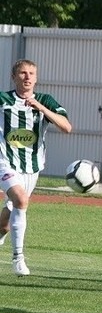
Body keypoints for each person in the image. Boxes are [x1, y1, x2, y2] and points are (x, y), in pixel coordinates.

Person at [0, 59, 72, 276]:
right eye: (23, 73)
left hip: (32, 166)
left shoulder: (45, 100)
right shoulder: (3, 99)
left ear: (36, 78)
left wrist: (41, 108)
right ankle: (18, 259)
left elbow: (67, 127)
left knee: (9, 216)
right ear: (14, 77)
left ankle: (2, 233)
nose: (27, 77)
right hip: (5, 161)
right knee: (21, 200)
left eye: (32, 73)